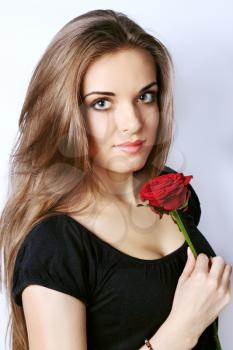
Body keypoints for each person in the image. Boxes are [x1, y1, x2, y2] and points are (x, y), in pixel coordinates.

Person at [0, 9, 231, 350]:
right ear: (63, 112)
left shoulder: (171, 191)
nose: (133, 122)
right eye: (102, 103)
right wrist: (182, 329)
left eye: (145, 96)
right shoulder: (55, 244)